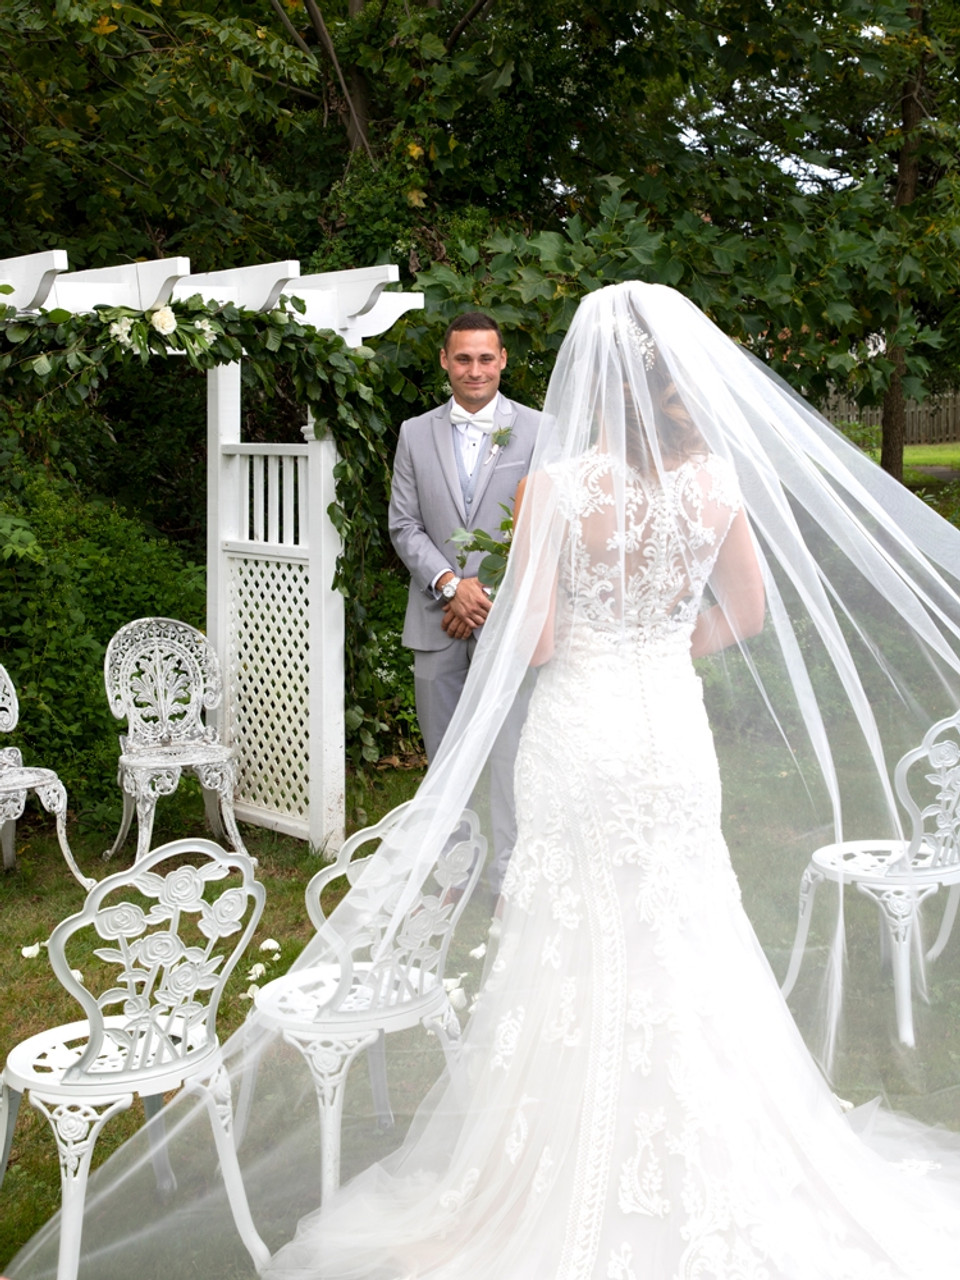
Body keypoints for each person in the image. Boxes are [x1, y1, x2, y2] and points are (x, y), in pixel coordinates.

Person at [11, 283, 960, 1278]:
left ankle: (557, 1148)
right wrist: (668, 649)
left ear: (597, 383)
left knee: (574, 926)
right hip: (670, 733)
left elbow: (539, 635)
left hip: (584, 732)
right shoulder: (717, 481)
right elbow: (751, 613)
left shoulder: (555, 489)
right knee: (686, 919)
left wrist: (532, 621)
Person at [388, 311, 541, 890]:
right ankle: (450, 877)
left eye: (485, 358)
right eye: (462, 358)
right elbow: (403, 525)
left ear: (502, 360)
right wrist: (452, 586)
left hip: (510, 620)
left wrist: (487, 594)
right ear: (445, 363)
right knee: (443, 757)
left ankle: (509, 878)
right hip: (436, 620)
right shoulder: (413, 433)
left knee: (511, 756)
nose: (474, 369)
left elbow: (547, 528)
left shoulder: (541, 430)